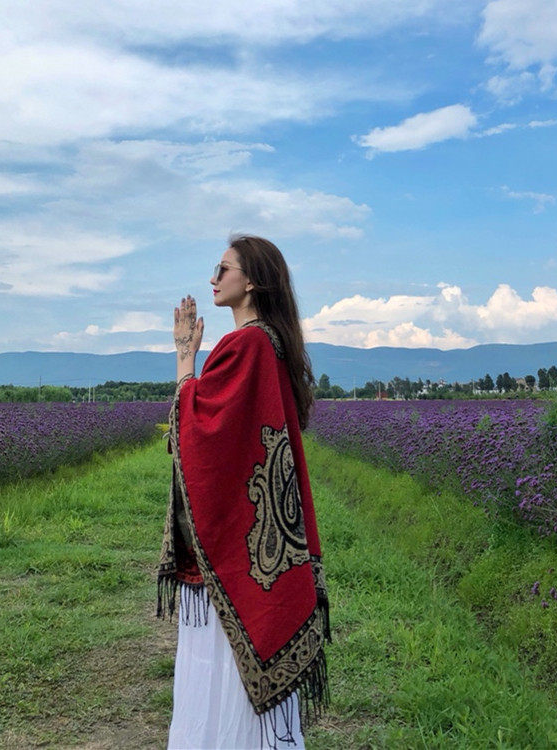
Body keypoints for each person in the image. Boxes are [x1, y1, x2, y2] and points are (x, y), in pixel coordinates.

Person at [158, 234, 330, 750]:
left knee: (221, 670)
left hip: (237, 551)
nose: (213, 279)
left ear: (251, 280)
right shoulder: (270, 344)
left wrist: (185, 359)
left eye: (223, 268)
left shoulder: (247, 344)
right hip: (260, 541)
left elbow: (196, 433)